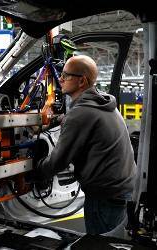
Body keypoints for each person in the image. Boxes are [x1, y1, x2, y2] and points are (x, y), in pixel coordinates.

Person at [35, 55, 137, 235]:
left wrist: (35, 169)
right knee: (114, 241)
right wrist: (57, 120)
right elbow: (80, 119)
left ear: (81, 81)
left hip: (104, 195)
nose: (60, 79)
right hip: (121, 190)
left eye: (66, 75)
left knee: (99, 244)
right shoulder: (104, 103)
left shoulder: (81, 113)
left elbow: (58, 162)